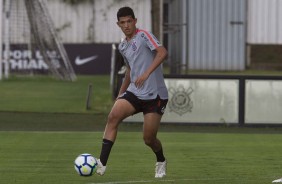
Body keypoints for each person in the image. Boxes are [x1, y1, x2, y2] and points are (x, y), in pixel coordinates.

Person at [96, 6, 169, 178]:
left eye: (129, 21)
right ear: (118, 24)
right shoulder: (123, 46)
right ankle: (102, 162)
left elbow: (162, 52)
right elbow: (130, 71)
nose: (127, 25)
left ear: (135, 21)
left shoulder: (144, 36)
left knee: (149, 139)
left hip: (155, 95)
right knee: (113, 117)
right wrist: (120, 95)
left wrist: (146, 73)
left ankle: (161, 160)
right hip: (135, 92)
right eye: (123, 22)